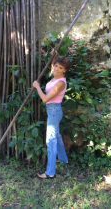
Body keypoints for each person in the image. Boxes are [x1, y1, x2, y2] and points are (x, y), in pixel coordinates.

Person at [33, 50, 70, 179]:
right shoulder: (55, 76)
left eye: (61, 68)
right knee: (57, 137)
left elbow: (45, 99)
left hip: (54, 110)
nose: (57, 69)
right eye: (56, 66)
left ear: (65, 70)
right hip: (53, 111)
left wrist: (37, 86)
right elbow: (52, 67)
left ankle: (50, 172)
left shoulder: (60, 83)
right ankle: (64, 160)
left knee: (51, 140)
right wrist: (53, 56)